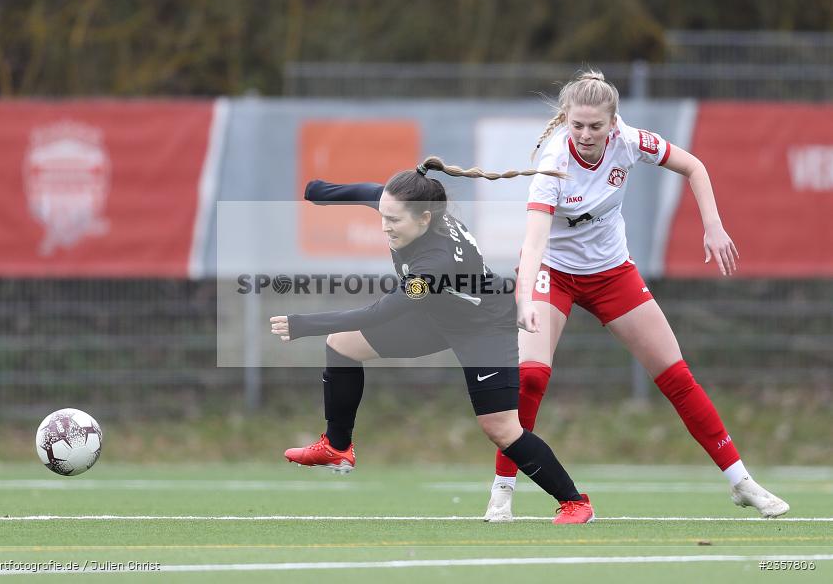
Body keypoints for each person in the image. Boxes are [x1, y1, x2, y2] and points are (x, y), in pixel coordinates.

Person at [484, 69, 790, 522]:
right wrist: (525, 298)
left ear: (613, 123)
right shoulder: (552, 165)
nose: (586, 135)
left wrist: (713, 226)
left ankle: (741, 482)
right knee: (530, 377)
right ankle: (502, 491)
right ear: (566, 120)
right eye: (577, 125)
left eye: (596, 126)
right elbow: (532, 245)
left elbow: (694, 167)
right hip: (554, 272)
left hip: (612, 274)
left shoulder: (631, 141)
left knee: (677, 377)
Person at [270, 157, 594, 524]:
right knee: (343, 344)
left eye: (393, 221)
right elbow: (365, 193)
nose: (384, 226)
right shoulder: (408, 206)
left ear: (424, 220)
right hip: (441, 316)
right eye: (383, 215)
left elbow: (380, 313)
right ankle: (337, 446)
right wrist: (317, 192)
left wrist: (303, 324)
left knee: (501, 429)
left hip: (484, 327)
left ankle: (574, 502)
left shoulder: (434, 263)